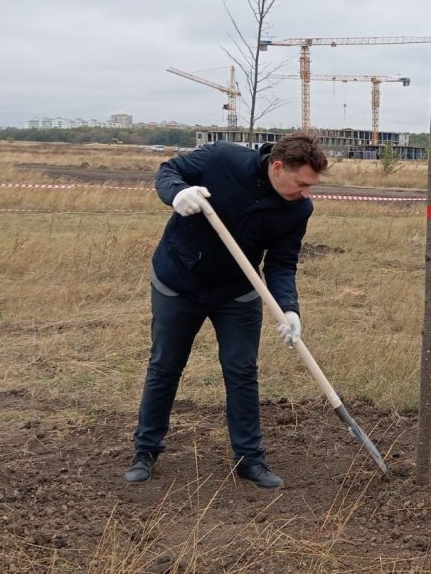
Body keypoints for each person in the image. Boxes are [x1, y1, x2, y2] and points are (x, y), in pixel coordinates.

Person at [123, 133, 329, 489]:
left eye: (311, 185)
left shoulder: (297, 209)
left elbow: (281, 264)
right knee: (165, 366)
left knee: (241, 371)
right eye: (301, 183)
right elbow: (168, 170)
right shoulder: (222, 159)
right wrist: (177, 193)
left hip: (238, 292)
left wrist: (289, 310)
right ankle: (145, 450)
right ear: (278, 167)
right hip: (178, 281)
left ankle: (250, 459)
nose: (306, 192)